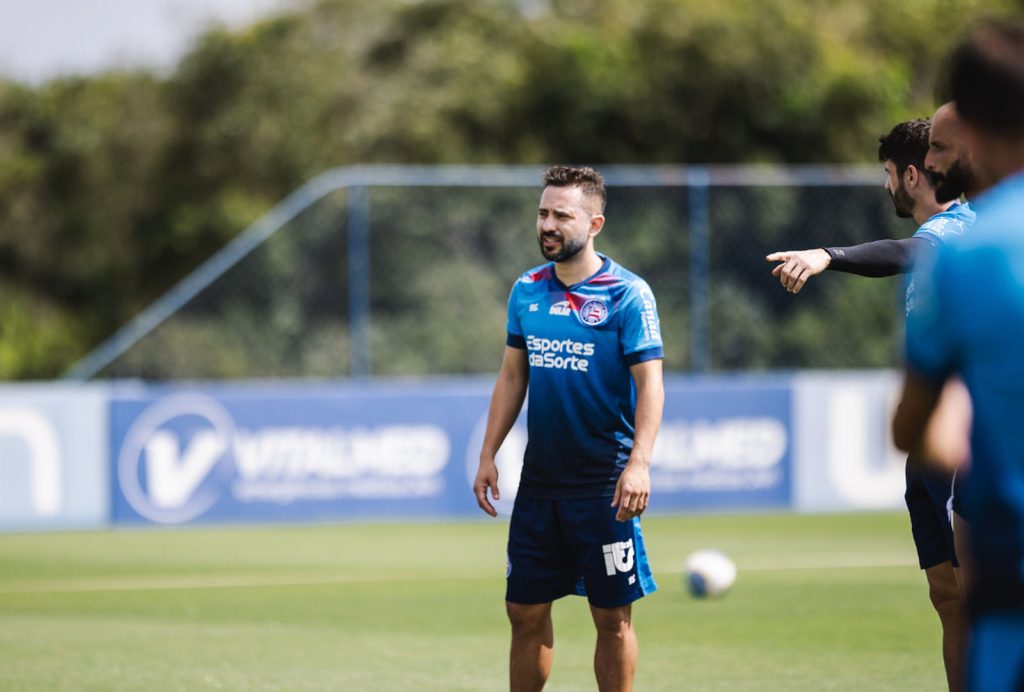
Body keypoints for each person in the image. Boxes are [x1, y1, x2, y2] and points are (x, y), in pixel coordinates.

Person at [766, 119, 975, 692]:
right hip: (931, 449)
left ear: (913, 174)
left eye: (889, 174)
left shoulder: (959, 229)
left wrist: (827, 256)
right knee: (947, 597)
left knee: (982, 600)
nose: (887, 187)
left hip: (969, 441)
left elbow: (905, 253)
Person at [472, 165, 664, 692]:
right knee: (523, 612)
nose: (548, 224)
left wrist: (639, 463)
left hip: (604, 485)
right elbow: (513, 376)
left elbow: (651, 385)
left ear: (594, 223)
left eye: (562, 215)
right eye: (543, 213)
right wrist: (489, 453)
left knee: (611, 618)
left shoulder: (628, 294)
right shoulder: (526, 291)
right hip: (540, 486)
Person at [892, 20, 1024, 692]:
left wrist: (954, 412)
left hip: (1005, 551)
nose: (935, 162)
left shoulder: (959, 252)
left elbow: (912, 430)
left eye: (943, 145)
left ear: (973, 127)